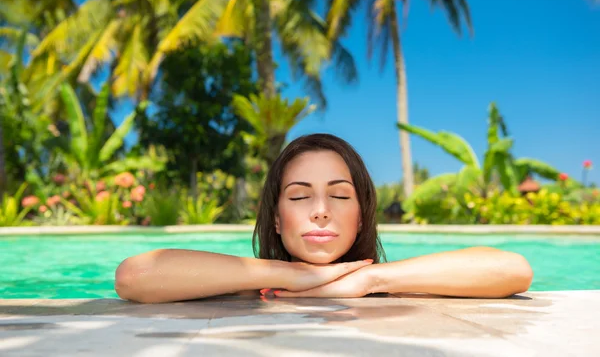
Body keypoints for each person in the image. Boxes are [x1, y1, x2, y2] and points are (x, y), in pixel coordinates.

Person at [114, 133, 533, 303]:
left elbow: (514, 268)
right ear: (276, 219)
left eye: (339, 194)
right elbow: (133, 276)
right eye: (299, 196)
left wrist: (369, 279)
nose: (320, 209)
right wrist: (287, 274)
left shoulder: (394, 284)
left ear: (361, 215)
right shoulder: (247, 285)